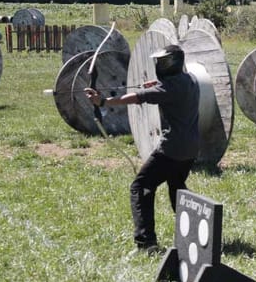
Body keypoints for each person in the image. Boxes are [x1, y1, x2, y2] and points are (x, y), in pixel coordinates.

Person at [85, 44, 200, 253]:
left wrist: (103, 101)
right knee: (176, 187)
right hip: (191, 148)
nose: (159, 65)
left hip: (172, 148)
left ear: (170, 64)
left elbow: (138, 97)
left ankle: (146, 243)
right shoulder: (191, 80)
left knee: (140, 187)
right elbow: (171, 88)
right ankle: (194, 235)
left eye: (162, 62)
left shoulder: (166, 89)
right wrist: (156, 84)